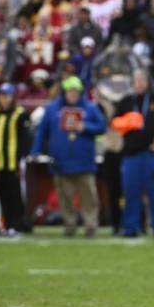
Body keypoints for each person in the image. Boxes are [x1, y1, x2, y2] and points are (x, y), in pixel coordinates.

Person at [31, 76, 106, 237]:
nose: (73, 94)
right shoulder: (51, 109)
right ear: (64, 92)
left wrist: (85, 127)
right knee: (64, 197)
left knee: (89, 197)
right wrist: (35, 151)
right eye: (70, 91)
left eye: (76, 91)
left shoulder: (90, 108)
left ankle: (90, 225)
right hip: (60, 161)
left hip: (84, 161)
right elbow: (42, 132)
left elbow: (102, 126)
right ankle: (69, 225)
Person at [113, 70, 154, 238]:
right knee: (131, 193)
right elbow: (114, 122)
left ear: (148, 82)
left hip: (153, 154)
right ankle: (130, 228)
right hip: (131, 155)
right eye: (136, 80)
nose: (139, 83)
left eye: (142, 80)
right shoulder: (126, 102)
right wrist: (127, 123)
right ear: (132, 83)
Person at [0, 83, 31, 235]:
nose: (5, 99)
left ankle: (17, 223)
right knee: (1, 193)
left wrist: (22, 157)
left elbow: (25, 139)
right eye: (2, 96)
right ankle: (5, 223)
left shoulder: (20, 114)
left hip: (14, 161)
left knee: (16, 194)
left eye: (8, 96)